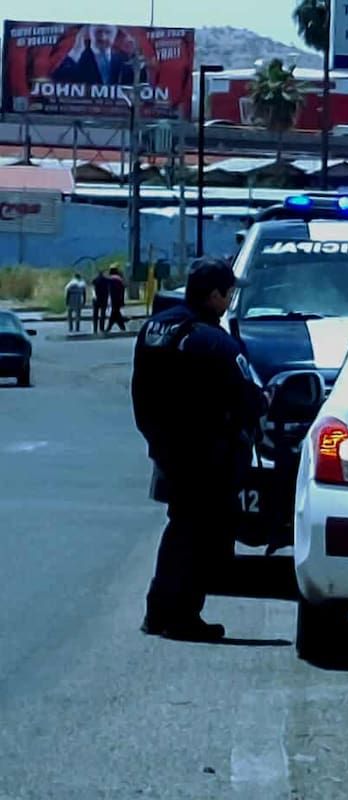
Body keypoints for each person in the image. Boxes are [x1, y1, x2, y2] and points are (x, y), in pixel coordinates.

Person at [132, 257, 265, 642]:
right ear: (214, 295)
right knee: (202, 536)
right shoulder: (216, 342)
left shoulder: (156, 329)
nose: (230, 300)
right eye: (229, 293)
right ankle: (183, 616)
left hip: (169, 450)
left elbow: (140, 392)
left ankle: (158, 612)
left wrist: (156, 441)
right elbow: (250, 399)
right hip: (208, 457)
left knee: (180, 529)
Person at [51, 24, 136, 86]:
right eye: (98, 32)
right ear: (90, 33)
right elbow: (56, 79)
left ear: (115, 34)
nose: (103, 37)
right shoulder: (79, 58)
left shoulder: (123, 60)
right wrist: (75, 53)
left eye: (108, 32)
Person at [106, 268, 127, 332]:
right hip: (119, 299)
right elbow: (123, 291)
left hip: (114, 299)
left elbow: (109, 291)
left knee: (115, 313)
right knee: (116, 313)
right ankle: (121, 327)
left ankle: (109, 327)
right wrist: (122, 301)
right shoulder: (120, 280)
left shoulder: (111, 280)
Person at [91, 268, 110, 333]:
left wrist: (94, 296)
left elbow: (93, 289)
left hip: (96, 299)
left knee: (95, 314)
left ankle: (95, 328)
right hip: (104, 298)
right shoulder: (107, 280)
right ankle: (101, 328)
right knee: (102, 314)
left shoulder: (95, 280)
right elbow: (109, 290)